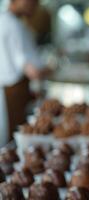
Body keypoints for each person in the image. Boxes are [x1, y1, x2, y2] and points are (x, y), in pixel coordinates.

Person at [0, 0, 50, 146]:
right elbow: (33, 71)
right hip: (13, 92)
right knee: (14, 144)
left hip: (11, 91)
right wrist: (50, 69)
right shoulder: (13, 25)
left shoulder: (6, 21)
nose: (35, 4)